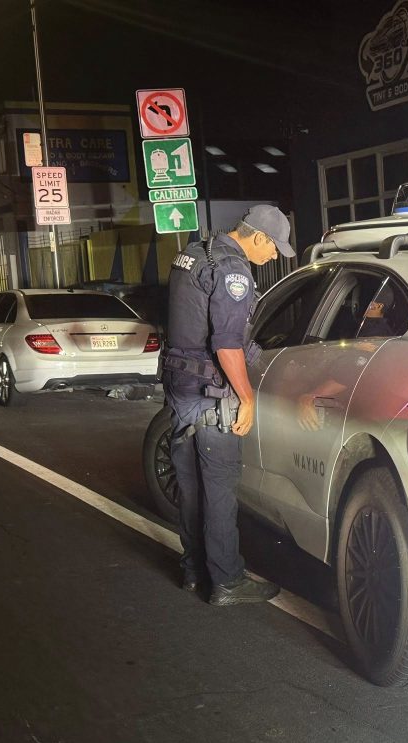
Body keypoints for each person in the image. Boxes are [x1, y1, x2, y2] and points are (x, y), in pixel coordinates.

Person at [162, 205, 296, 606]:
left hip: (181, 388)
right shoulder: (233, 270)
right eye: (274, 248)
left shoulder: (194, 253)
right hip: (210, 395)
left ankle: (193, 570)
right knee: (218, 488)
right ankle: (227, 580)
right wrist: (247, 396)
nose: (273, 257)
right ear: (257, 237)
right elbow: (225, 343)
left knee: (190, 487)